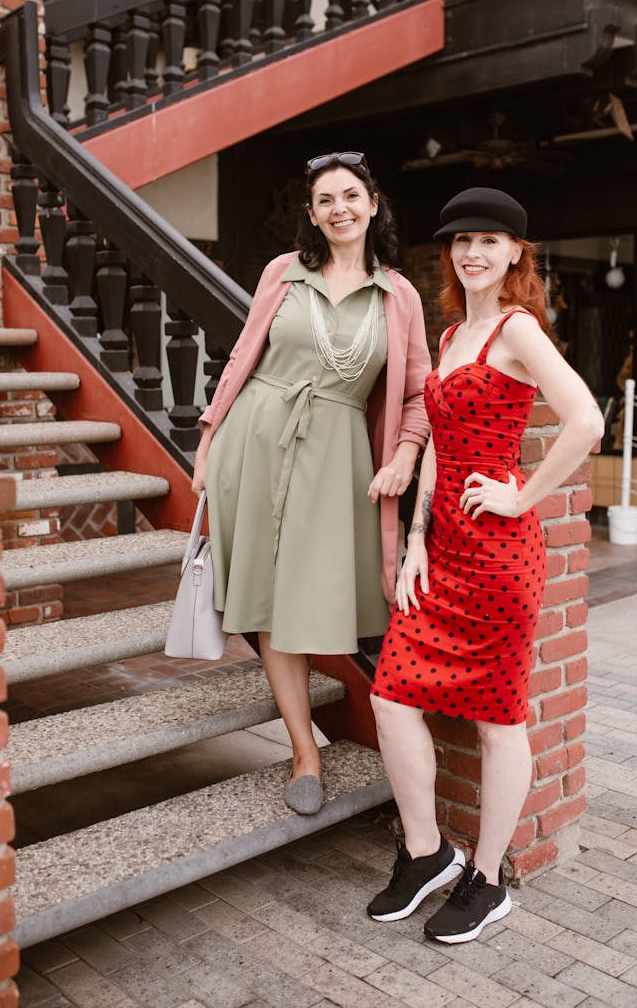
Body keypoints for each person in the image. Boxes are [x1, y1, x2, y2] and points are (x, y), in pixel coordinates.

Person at [367, 187, 604, 943]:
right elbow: (436, 445)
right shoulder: (450, 336)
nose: (473, 252)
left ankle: (489, 880)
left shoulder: (517, 328)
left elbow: (586, 418)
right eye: (461, 241)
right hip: (442, 554)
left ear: (515, 254)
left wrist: (521, 495)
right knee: (391, 694)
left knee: (499, 722)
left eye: (489, 241)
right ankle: (427, 852)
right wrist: (413, 543)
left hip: (501, 559)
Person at [192, 151, 431, 816]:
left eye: (350, 195)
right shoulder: (283, 273)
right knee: (271, 603)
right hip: (257, 439)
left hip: (338, 455)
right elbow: (244, 355)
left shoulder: (399, 295)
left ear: (373, 203)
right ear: (312, 214)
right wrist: (211, 438)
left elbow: (416, 393)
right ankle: (304, 749)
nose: (339, 209)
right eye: (325, 200)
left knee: (309, 596)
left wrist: (407, 455)